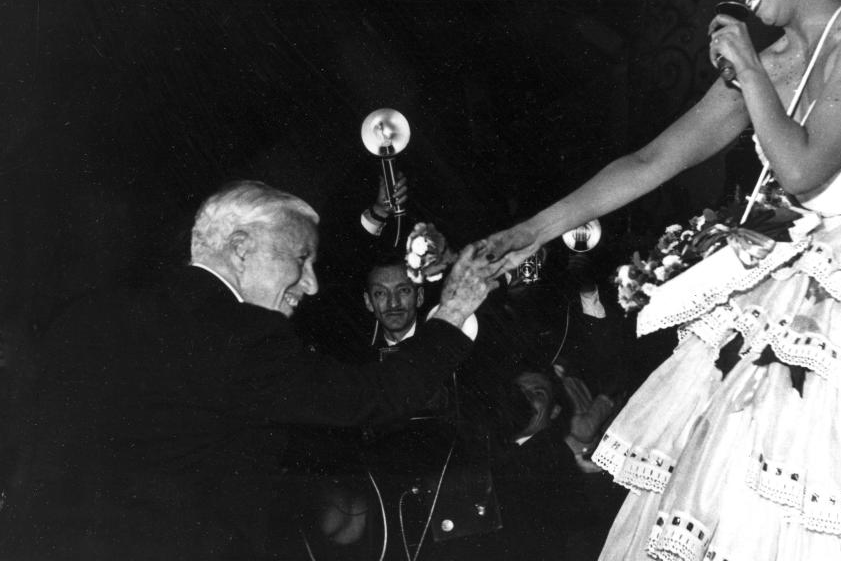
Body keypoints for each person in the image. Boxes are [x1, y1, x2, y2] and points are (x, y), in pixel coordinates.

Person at [482, 0, 841, 561]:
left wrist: (748, 70)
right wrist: (532, 228)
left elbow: (801, 168)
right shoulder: (765, 65)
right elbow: (650, 161)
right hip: (810, 273)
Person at [2, 180, 497, 560]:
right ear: (240, 249)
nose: (313, 284)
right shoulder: (236, 334)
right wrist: (453, 311)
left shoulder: (92, 312)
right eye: (301, 259)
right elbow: (369, 398)